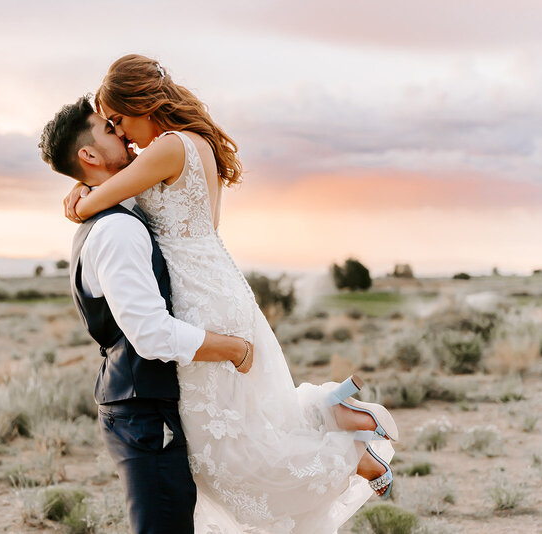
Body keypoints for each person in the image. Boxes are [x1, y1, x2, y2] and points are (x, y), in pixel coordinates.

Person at [60, 54, 398, 534]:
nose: (122, 133)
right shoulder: (196, 147)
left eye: (119, 119)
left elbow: (98, 199)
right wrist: (86, 183)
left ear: (144, 103)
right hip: (219, 286)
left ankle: (350, 455)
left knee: (224, 449)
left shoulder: (168, 148)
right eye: (110, 125)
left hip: (199, 298)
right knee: (247, 422)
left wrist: (78, 196)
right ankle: (333, 414)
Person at [39, 96, 257, 534]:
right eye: (108, 129)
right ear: (89, 155)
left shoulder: (118, 214)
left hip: (141, 401)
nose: (120, 132)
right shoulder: (118, 230)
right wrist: (234, 348)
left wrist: (86, 192)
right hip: (143, 410)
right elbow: (151, 334)